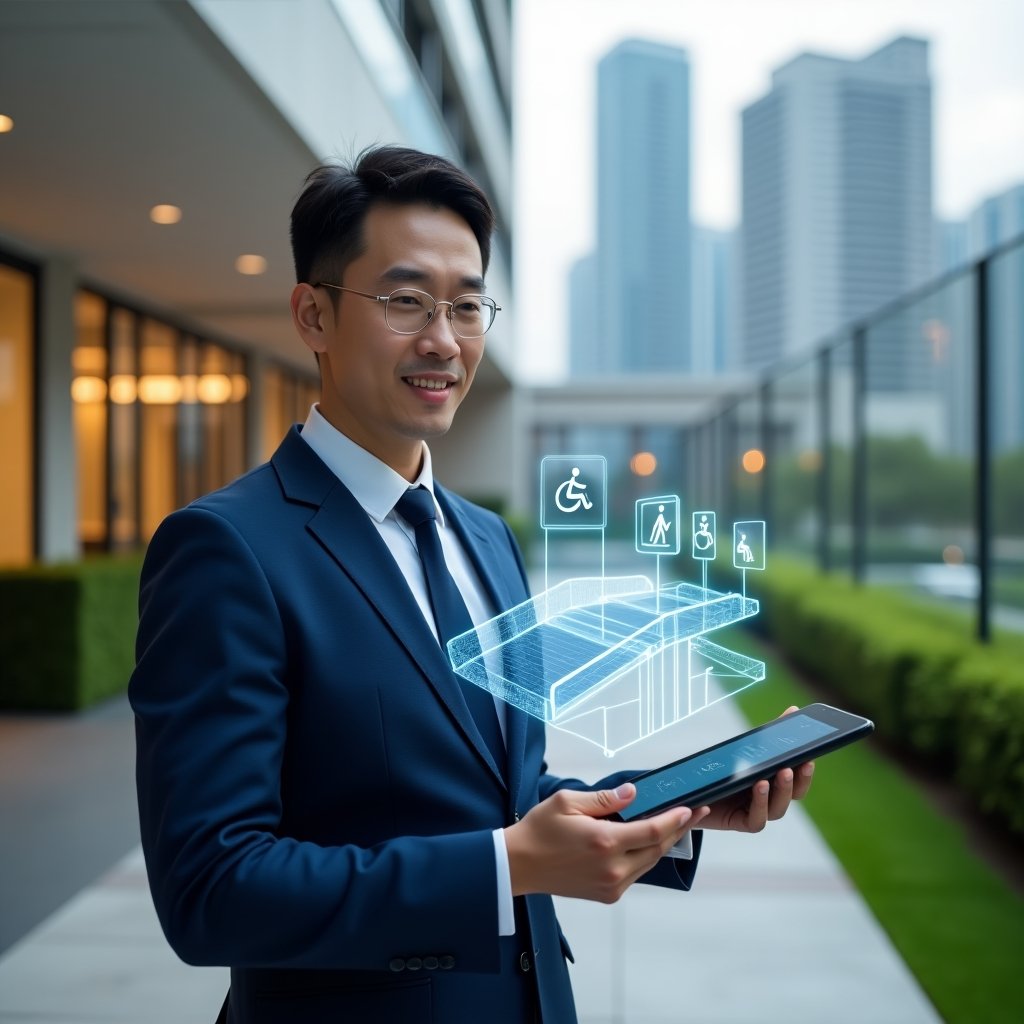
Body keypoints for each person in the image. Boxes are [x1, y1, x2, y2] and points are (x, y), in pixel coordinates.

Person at [129, 145, 813, 1024]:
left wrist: (676, 802)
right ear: (313, 315)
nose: (443, 341)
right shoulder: (225, 550)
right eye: (405, 301)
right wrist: (508, 866)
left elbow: (492, 789)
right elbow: (212, 891)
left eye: (467, 304)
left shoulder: (485, 538)